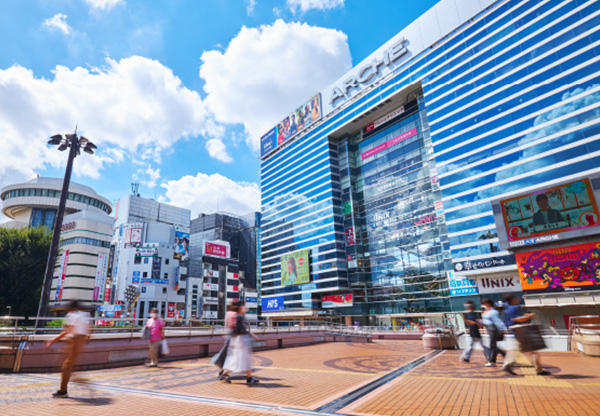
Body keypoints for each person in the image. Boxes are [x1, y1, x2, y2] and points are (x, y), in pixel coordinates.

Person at [45, 300, 90, 398]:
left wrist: (52, 341)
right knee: (66, 364)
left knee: (66, 366)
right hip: (79, 340)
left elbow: (66, 331)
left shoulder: (73, 315)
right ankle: (74, 380)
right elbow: (88, 328)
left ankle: (63, 390)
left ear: (69, 309)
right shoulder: (83, 315)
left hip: (74, 341)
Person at [502, 294, 550, 376]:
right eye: (515, 298)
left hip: (514, 331)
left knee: (518, 350)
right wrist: (529, 316)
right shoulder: (515, 307)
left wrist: (525, 316)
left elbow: (513, 318)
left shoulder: (506, 309)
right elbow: (516, 319)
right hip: (521, 331)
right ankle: (539, 370)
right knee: (533, 350)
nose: (517, 299)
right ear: (512, 300)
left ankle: (508, 365)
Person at [221, 301, 260, 385]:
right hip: (240, 341)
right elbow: (238, 330)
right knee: (239, 360)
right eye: (243, 306)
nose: (245, 308)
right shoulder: (238, 316)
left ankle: (249, 377)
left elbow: (241, 329)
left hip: (240, 340)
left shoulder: (240, 316)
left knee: (244, 360)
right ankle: (225, 374)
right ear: (239, 307)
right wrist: (249, 335)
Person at [211, 305, 237, 379]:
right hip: (232, 338)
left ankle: (221, 371)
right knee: (231, 356)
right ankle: (224, 373)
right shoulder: (233, 314)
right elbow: (233, 326)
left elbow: (228, 326)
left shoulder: (227, 314)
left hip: (228, 337)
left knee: (225, 355)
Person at [481, 298, 506, 367]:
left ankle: (491, 361)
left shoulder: (494, 312)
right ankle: (503, 355)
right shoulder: (486, 311)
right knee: (493, 345)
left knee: (492, 345)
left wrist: (502, 329)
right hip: (489, 329)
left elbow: (498, 321)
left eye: (484, 304)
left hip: (493, 329)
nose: (482, 306)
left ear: (488, 304)